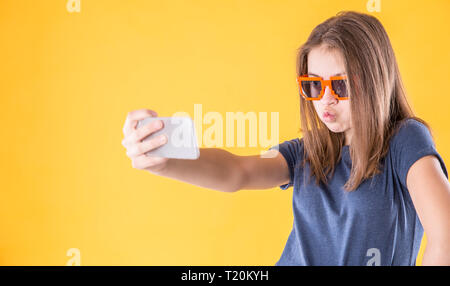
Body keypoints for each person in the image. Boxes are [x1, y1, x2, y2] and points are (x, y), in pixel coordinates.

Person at [121, 11, 450, 266]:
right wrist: (164, 161)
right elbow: (238, 171)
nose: (325, 100)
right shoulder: (309, 151)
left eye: (340, 85)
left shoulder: (405, 140)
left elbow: (444, 233)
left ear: (375, 80)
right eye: (313, 85)